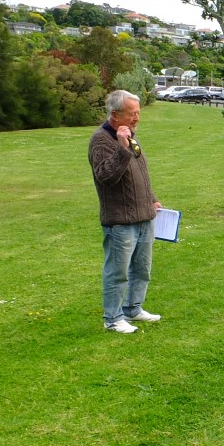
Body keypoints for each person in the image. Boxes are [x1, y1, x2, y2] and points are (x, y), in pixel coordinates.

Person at [88, 89, 163, 334]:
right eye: (132, 114)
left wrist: (151, 199)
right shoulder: (101, 140)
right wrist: (122, 148)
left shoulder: (131, 136)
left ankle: (133, 308)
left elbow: (140, 174)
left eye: (138, 113)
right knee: (117, 272)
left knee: (142, 269)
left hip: (144, 217)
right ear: (114, 114)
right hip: (120, 221)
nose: (137, 118)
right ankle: (113, 318)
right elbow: (105, 176)